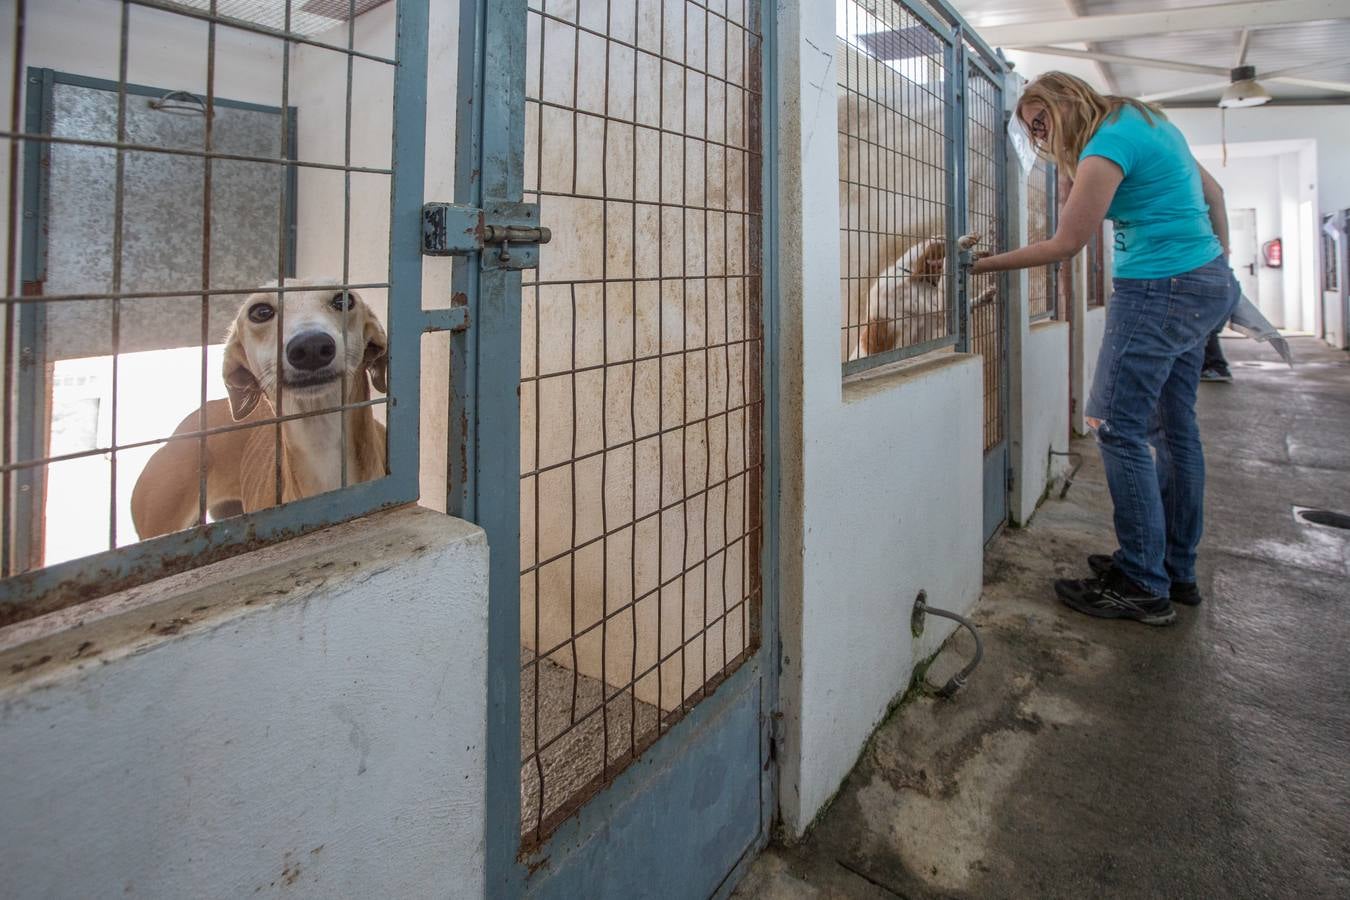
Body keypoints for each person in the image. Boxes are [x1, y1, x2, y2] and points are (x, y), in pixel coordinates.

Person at [972, 72, 1239, 627]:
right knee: (1174, 429)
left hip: (1158, 289)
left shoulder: (1105, 144)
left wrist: (978, 266)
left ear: (1065, 99)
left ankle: (1141, 582)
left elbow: (1066, 244)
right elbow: (1214, 193)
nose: (1041, 136)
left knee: (1114, 426)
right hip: (1202, 281)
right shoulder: (1146, 120)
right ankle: (1173, 570)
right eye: (1032, 131)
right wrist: (1217, 264)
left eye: (1040, 121)